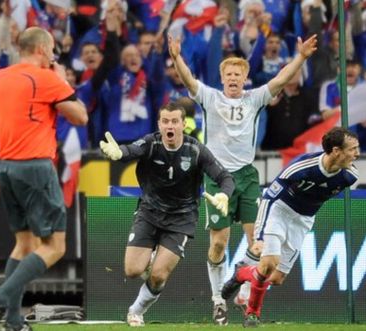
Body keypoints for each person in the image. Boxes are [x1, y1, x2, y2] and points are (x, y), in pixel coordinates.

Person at [168, 32, 318, 324]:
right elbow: (188, 81)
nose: (233, 78)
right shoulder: (211, 98)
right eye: (229, 74)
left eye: (238, 73)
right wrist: (177, 58)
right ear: (222, 77)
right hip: (217, 176)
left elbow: (281, 81)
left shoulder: (255, 99)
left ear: (245, 77)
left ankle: (243, 286)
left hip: (248, 176)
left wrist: (300, 56)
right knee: (219, 242)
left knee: (258, 243)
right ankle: (217, 300)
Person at [0, 27, 88, 331]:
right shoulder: (46, 78)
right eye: (51, 49)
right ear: (41, 49)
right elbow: (80, 117)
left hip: (6, 168)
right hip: (36, 167)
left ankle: (11, 321)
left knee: (24, 245)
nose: (53, 55)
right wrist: (62, 80)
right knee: (55, 246)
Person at [99, 102, 235, 327]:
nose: (169, 126)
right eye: (165, 121)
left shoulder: (195, 150)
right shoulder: (151, 143)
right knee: (132, 271)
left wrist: (225, 195)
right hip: (149, 212)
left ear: (183, 124)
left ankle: (136, 310)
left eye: (174, 121)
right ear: (159, 124)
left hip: (181, 219)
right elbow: (130, 151)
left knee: (159, 275)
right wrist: (118, 153)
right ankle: (149, 258)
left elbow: (225, 177)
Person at [221, 126, 360, 327]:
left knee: (276, 278)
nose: (357, 154)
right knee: (269, 263)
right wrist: (259, 236)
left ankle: (241, 274)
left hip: (303, 220)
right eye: (352, 149)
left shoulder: (350, 177)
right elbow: (269, 197)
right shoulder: (301, 167)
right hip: (279, 211)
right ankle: (252, 314)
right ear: (336, 151)